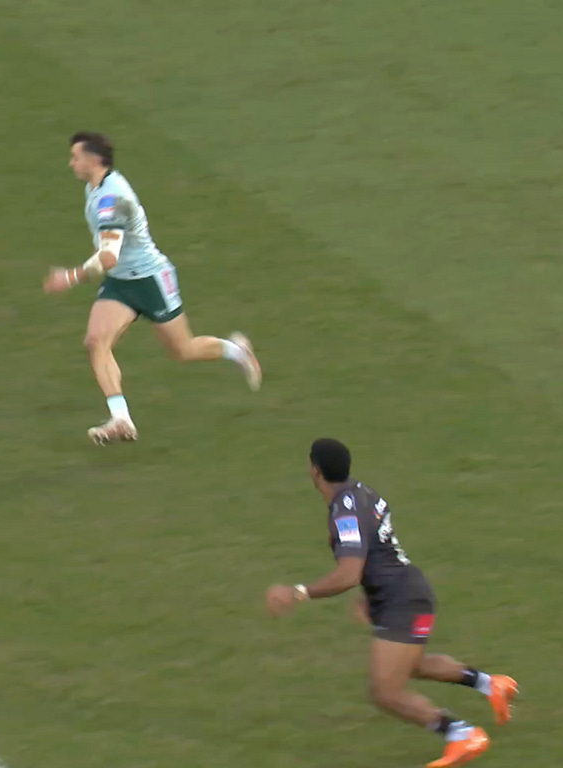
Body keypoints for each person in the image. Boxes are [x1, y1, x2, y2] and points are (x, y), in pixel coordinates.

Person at [266, 438, 519, 768]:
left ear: (315, 471)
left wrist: (298, 592)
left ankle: (462, 734)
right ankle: (491, 685)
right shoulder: (363, 493)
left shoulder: (345, 512)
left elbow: (349, 573)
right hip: (406, 593)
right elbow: (379, 550)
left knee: (385, 692)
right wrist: (369, 594)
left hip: (401, 601)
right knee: (412, 666)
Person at [43, 131, 262, 445]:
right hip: (120, 283)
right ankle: (120, 418)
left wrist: (69, 277)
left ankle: (237, 350)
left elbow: (108, 257)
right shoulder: (96, 187)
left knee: (182, 350)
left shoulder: (112, 199)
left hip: (150, 280)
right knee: (95, 342)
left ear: (94, 159)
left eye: (75, 157)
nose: (71, 163)